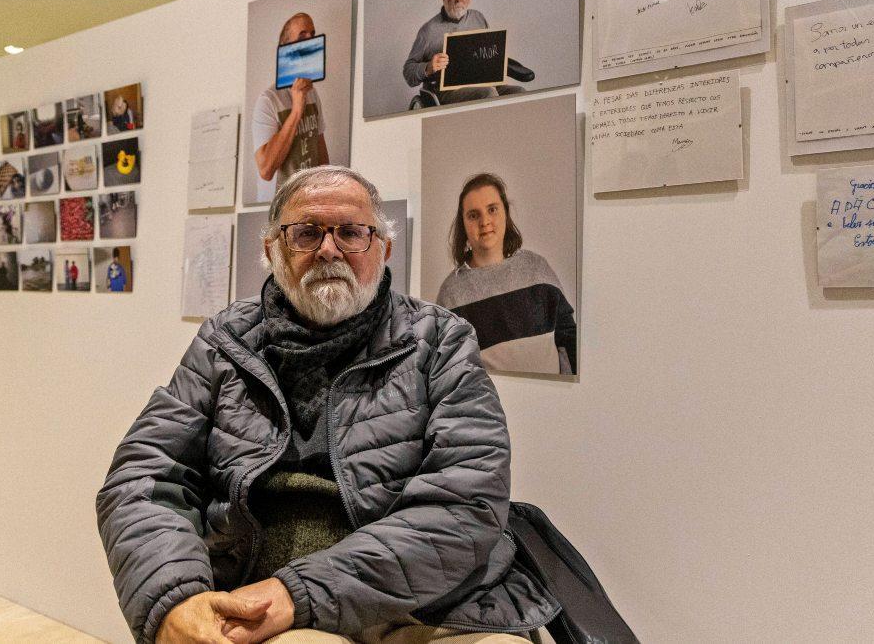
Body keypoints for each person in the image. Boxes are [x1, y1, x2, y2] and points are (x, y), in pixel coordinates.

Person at [96, 166, 557, 644]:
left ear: (384, 249)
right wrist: (175, 600)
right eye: (307, 233)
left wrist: (299, 592)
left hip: (427, 605)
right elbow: (142, 480)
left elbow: (467, 502)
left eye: (352, 232)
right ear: (272, 248)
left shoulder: (441, 341)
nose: (329, 249)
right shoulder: (224, 342)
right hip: (259, 602)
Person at [436, 173, 576, 375]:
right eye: (474, 215)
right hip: (490, 405)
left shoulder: (537, 268)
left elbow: (568, 337)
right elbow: (449, 369)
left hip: (553, 401)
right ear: (463, 224)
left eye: (492, 209)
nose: (485, 221)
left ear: (505, 213)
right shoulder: (451, 293)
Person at [402, 0, 523, 107]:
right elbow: (408, 72)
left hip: (481, 83)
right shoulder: (429, 30)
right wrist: (428, 67)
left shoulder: (478, 18)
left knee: (519, 93)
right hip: (445, 91)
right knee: (488, 94)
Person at [252, 12, 330, 202]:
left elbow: (322, 159)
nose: (310, 41)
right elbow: (266, 169)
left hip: (310, 205)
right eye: (302, 36)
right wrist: (296, 111)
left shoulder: (313, 94)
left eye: (313, 34)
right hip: (282, 209)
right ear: (285, 48)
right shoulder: (268, 100)